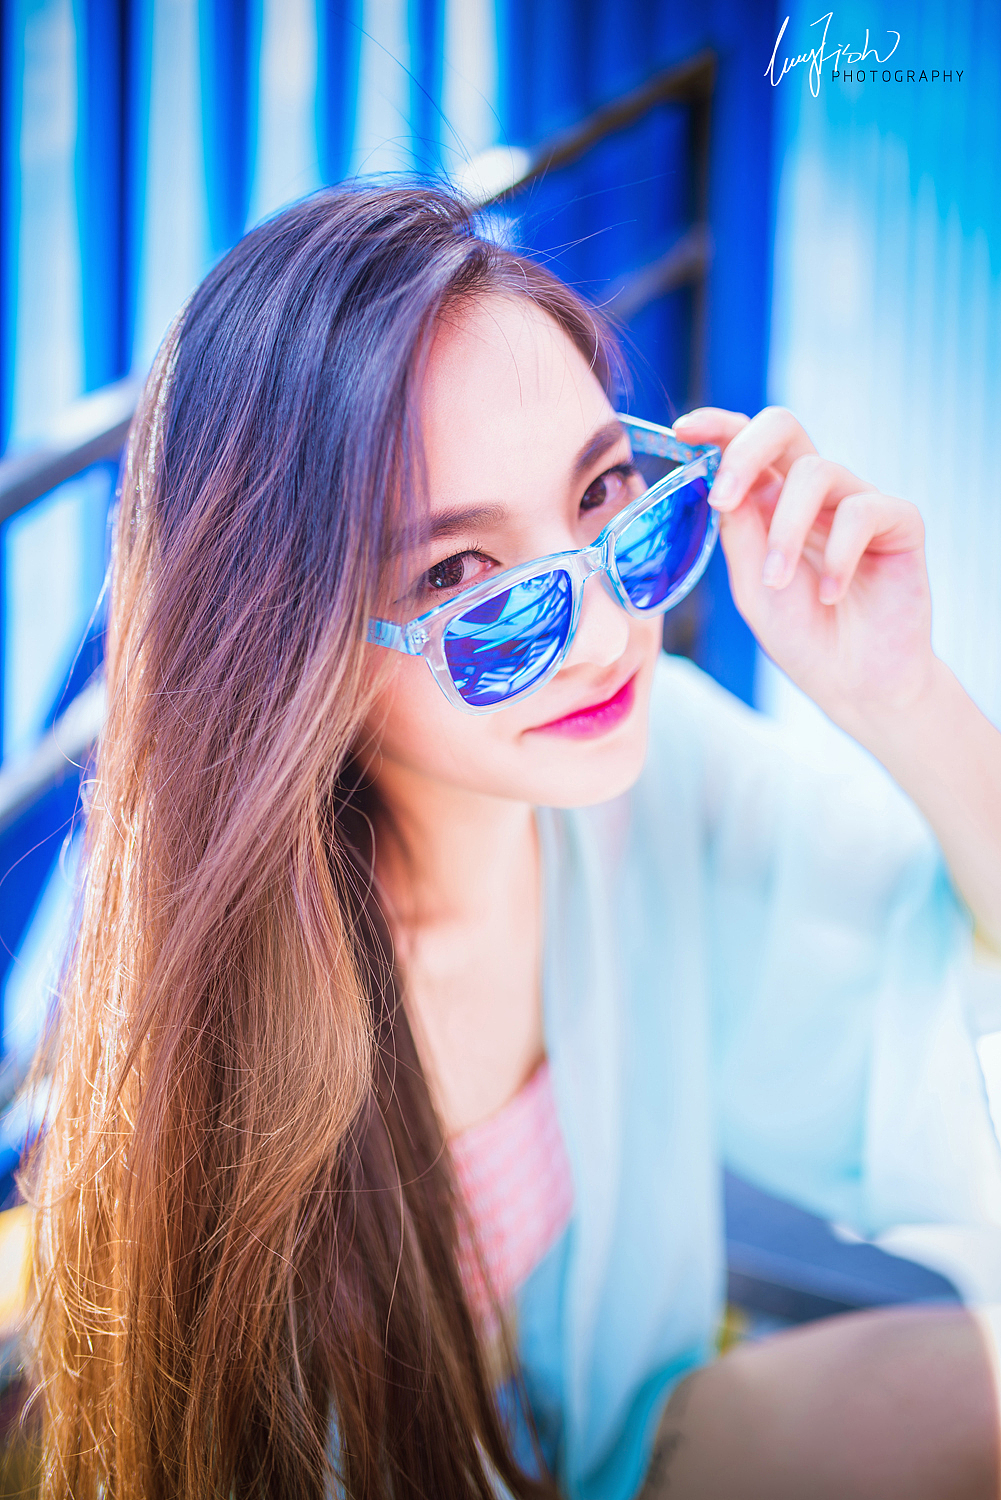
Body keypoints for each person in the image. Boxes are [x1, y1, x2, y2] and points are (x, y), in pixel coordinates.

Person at [26, 185, 1001, 1500]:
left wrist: (900, 697)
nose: (604, 631)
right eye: (460, 582)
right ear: (299, 645)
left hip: (625, 1449)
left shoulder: (646, 775)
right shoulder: (226, 1035)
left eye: (612, 502)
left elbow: (950, 1005)